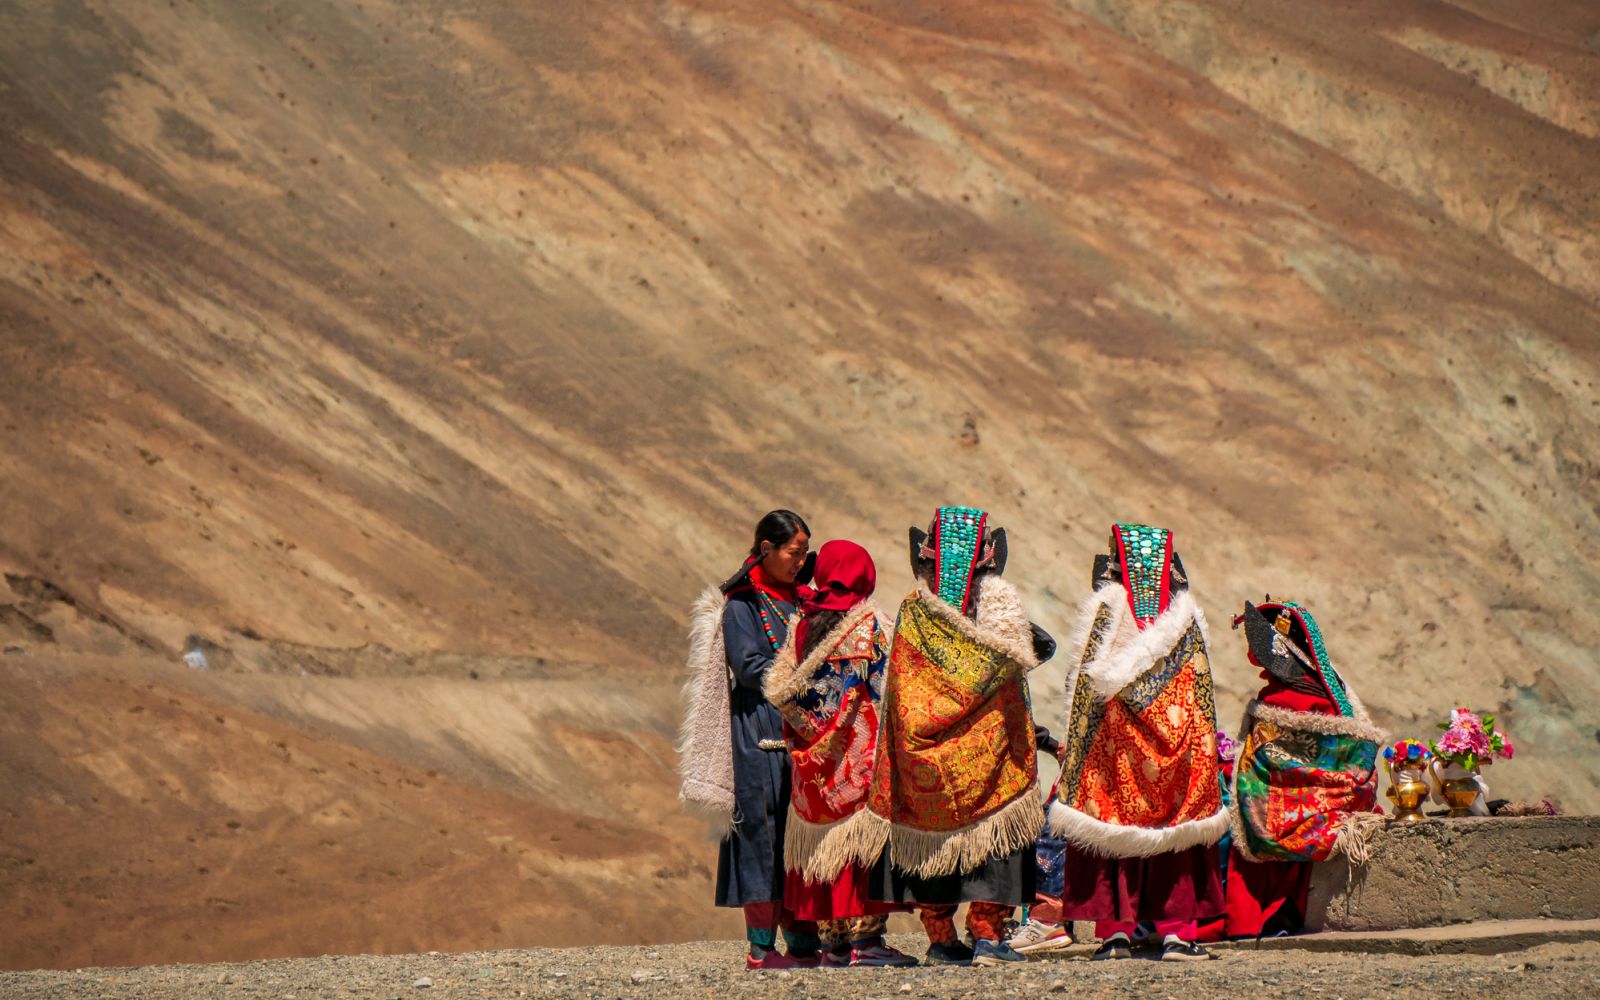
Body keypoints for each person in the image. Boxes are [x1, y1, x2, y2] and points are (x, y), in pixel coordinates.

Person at [864, 506, 1055, 967]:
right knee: (1000, 841)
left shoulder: (914, 613)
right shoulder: (1001, 614)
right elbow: (1036, 651)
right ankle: (988, 935)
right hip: (993, 757)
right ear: (989, 559)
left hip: (926, 757)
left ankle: (941, 940)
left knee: (933, 851)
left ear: (926, 558)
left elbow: (902, 687)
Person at [1048, 524, 1227, 961]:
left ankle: (1115, 935)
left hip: (1116, 754)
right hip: (1178, 749)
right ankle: (1176, 934)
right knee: (1173, 842)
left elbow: (1084, 693)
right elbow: (1200, 696)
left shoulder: (1106, 615)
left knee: (1116, 838)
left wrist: (1079, 756)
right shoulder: (1185, 622)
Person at [764, 539, 917, 968]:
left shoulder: (802, 626)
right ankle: (867, 942)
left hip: (812, 769)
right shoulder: (873, 627)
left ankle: (832, 943)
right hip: (860, 762)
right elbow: (892, 692)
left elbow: (791, 692)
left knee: (824, 852)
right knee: (862, 851)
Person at [679, 509, 821, 969]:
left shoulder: (801, 599)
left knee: (799, 839)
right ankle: (761, 949)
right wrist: (804, 675)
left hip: (799, 735)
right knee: (762, 835)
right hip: (757, 734)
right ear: (766, 550)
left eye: (804, 554)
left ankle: (803, 943)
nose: (800, 562)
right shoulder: (742, 604)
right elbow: (748, 666)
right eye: (792, 553)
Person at [1223, 599, 1386, 937]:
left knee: (1237, 816)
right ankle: (1283, 915)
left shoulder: (1278, 699)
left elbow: (1261, 763)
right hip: (1331, 803)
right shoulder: (1331, 691)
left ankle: (1247, 917)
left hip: (1273, 806)